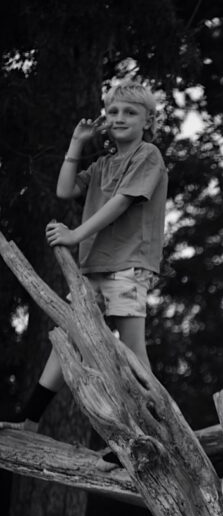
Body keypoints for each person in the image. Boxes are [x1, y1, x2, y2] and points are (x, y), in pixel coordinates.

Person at [1, 80, 167, 433]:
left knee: (132, 348)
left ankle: (153, 427)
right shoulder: (103, 165)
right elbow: (65, 190)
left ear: (148, 122)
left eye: (130, 112)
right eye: (113, 112)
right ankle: (30, 419)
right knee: (69, 336)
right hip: (93, 266)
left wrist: (75, 234)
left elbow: (122, 203)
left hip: (129, 265)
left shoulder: (147, 156)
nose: (120, 118)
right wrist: (77, 143)